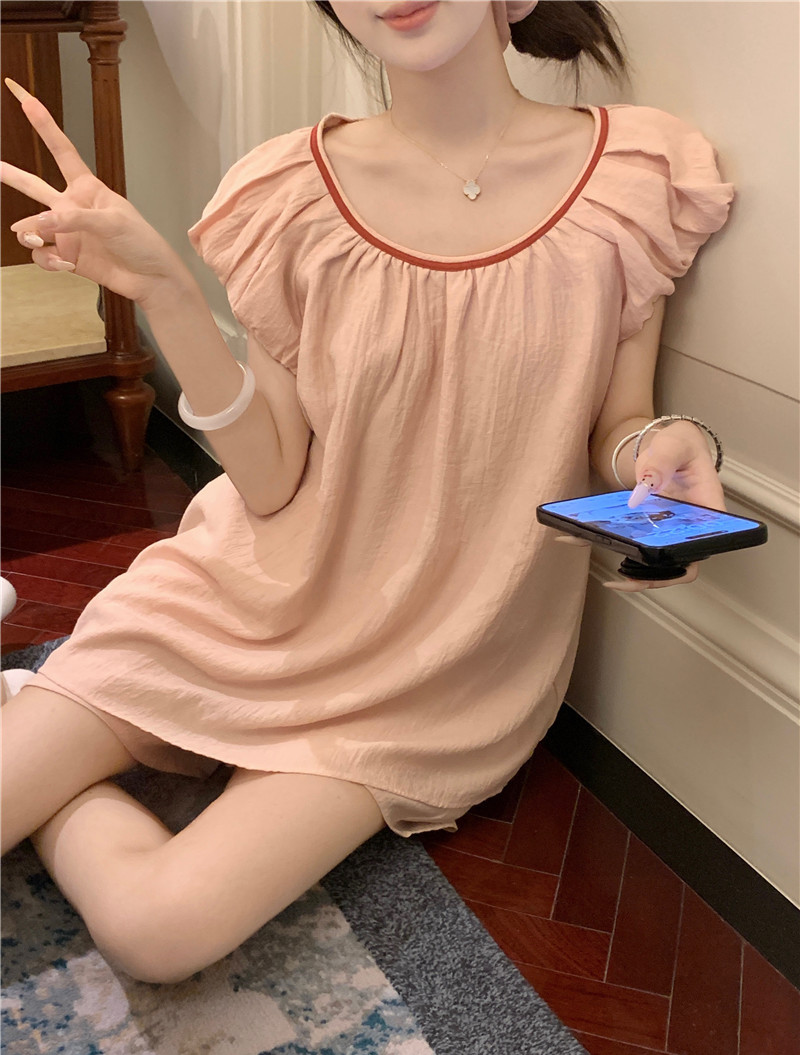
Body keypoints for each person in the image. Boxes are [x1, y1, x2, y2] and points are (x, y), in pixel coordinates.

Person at [0, 0, 733, 985]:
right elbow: (270, 480)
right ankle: (57, 715)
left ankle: (35, 715)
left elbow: (616, 426)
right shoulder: (287, 191)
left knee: (156, 931)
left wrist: (664, 450)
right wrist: (166, 291)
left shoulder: (629, 178)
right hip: (241, 599)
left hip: (427, 666)